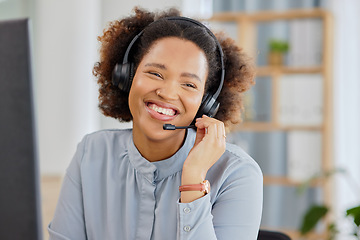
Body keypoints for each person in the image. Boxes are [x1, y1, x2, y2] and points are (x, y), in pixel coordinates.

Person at [48, 7, 262, 240]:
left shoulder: (236, 173)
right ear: (127, 77)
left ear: (206, 103)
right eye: (155, 73)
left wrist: (193, 179)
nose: (168, 93)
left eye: (189, 85)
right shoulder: (91, 153)